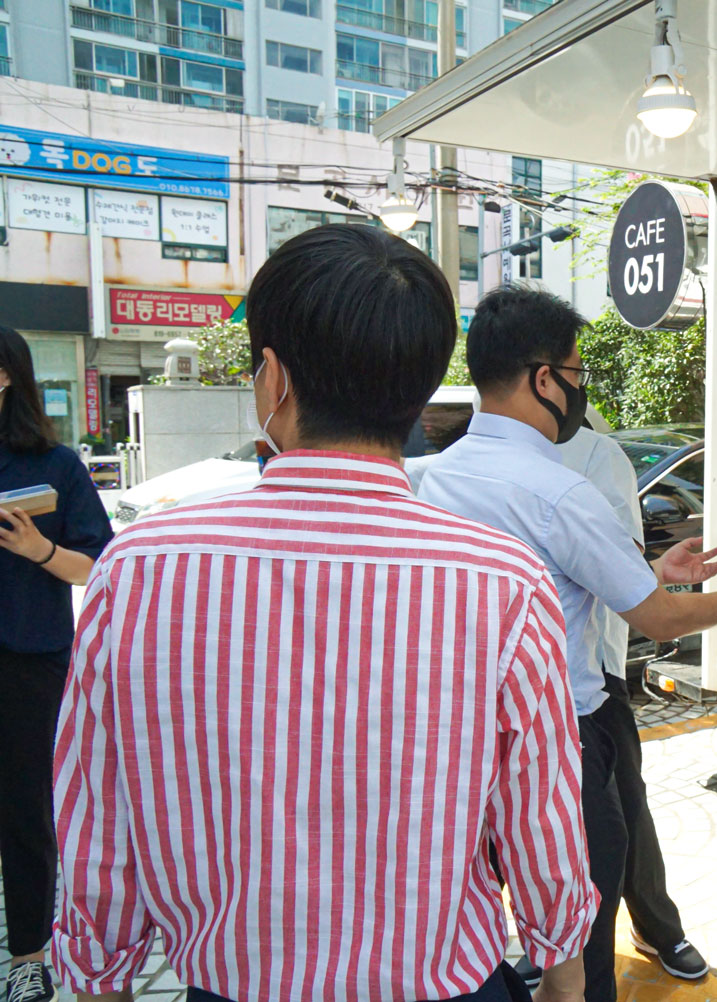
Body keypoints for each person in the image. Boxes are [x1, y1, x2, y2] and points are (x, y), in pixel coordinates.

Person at [51, 225, 597, 1002]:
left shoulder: (140, 568)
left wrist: (100, 982)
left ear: (271, 378)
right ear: (418, 386)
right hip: (444, 987)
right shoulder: (502, 580)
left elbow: (97, 814)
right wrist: (563, 971)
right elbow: (539, 814)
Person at [417, 286, 717, 1002]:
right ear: (544, 380)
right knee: (581, 929)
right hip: (559, 739)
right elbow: (660, 622)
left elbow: (539, 586)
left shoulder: (438, 480)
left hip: (465, 740)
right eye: (578, 372)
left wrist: (644, 571)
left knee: (495, 905)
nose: (580, 388)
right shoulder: (559, 492)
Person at [555, 425, 711, 983]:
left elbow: (625, 567)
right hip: (518, 678)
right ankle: (550, 946)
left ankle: (656, 926)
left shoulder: (597, 454)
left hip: (594, 670)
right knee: (527, 818)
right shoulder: (474, 456)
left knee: (622, 808)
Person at [0, 325, 113, 1002]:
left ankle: (28, 956)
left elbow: (98, 564)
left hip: (26, 658)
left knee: (23, 810)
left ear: (6, 377)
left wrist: (36, 548)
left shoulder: (53, 464)